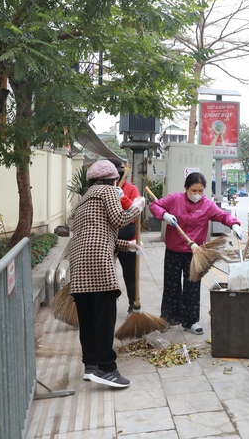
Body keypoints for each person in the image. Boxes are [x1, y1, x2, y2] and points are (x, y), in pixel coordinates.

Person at [69, 160, 145, 388]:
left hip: (79, 264)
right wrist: (138, 205)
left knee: (88, 318)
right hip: (98, 263)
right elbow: (120, 219)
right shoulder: (108, 191)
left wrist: (127, 246)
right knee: (104, 316)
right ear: (110, 180)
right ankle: (106, 368)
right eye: (115, 178)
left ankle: (90, 365)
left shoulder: (83, 200)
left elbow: (97, 234)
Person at [149, 172, 242, 335]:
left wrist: (234, 224)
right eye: (193, 191)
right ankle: (168, 318)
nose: (197, 195)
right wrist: (164, 214)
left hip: (195, 252)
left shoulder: (207, 205)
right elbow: (155, 206)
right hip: (174, 250)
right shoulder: (175, 199)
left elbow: (222, 216)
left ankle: (190, 321)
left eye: (200, 191)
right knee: (171, 285)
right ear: (186, 188)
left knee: (192, 286)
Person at [108, 158, 141, 315]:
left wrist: (122, 197)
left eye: (120, 174)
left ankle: (132, 304)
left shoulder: (131, 189)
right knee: (105, 273)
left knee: (130, 273)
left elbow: (135, 215)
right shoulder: (101, 190)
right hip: (106, 238)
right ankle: (106, 305)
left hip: (126, 234)